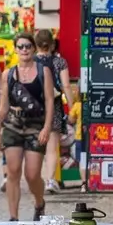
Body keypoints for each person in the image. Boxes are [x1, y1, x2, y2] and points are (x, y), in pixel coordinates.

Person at [0, 34, 55, 222]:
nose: (24, 49)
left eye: (28, 46)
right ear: (15, 49)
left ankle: (39, 203)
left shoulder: (43, 71)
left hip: (35, 124)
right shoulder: (8, 74)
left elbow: (49, 100)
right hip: (13, 124)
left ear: (33, 48)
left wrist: (47, 127)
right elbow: (4, 104)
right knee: (13, 171)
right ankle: (13, 217)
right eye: (20, 46)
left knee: (32, 174)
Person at [31, 28, 74, 193]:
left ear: (35, 44)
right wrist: (72, 107)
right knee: (52, 146)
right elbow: (66, 85)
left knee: (35, 147)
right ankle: (50, 180)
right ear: (52, 44)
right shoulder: (60, 62)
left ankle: (36, 180)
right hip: (54, 107)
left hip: (34, 108)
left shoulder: (31, 62)